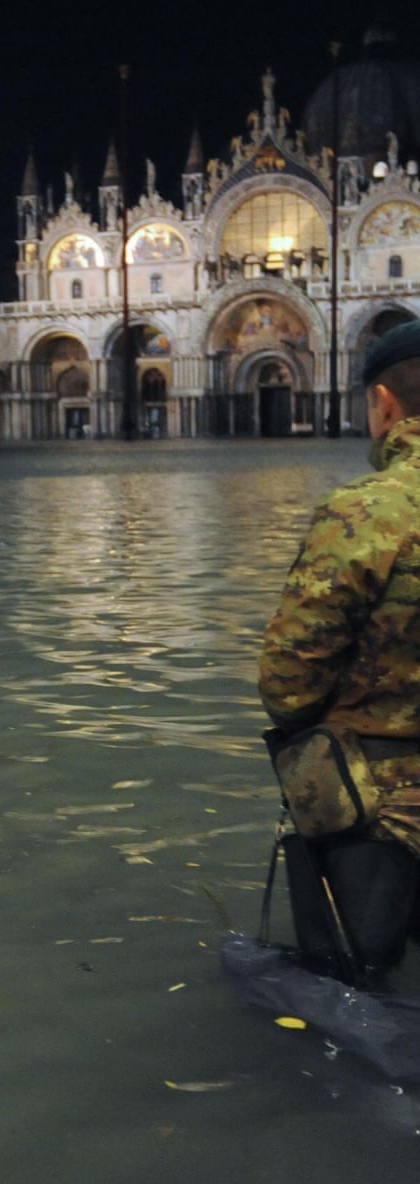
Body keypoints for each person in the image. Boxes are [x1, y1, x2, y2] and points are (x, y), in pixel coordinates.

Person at [259, 318, 420, 984]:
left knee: (360, 996)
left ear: (383, 401)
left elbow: (288, 683)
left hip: (383, 813)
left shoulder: (368, 512)